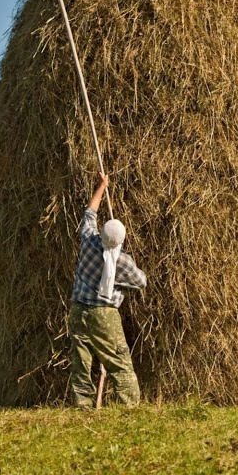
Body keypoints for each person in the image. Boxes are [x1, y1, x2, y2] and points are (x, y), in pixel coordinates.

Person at [68, 172, 147, 407]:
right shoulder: (122, 262)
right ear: (121, 241)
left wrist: (102, 185)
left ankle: (82, 404)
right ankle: (127, 404)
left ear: (101, 233)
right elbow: (141, 282)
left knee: (81, 359)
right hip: (103, 313)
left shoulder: (88, 241)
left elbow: (89, 213)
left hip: (78, 309)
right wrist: (121, 277)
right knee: (118, 359)